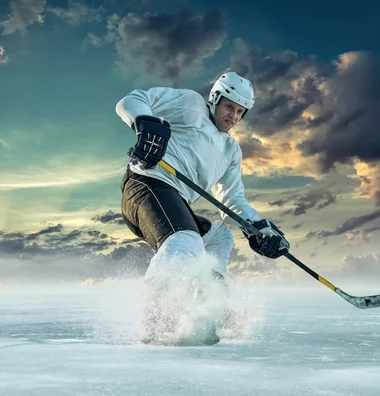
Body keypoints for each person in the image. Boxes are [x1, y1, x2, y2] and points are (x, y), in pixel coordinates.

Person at [116, 72, 290, 343]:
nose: (233, 116)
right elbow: (134, 99)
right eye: (229, 107)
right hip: (146, 184)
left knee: (219, 236)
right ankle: (155, 318)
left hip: (176, 201)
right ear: (215, 100)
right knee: (186, 240)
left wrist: (259, 227)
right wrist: (145, 123)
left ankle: (205, 308)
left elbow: (232, 199)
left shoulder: (231, 150)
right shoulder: (191, 105)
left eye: (240, 112)